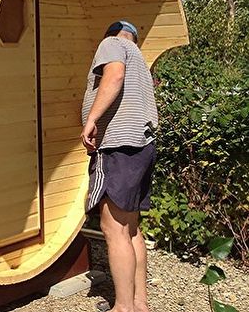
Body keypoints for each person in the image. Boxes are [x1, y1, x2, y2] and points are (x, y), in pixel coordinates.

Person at [81, 21, 157, 312]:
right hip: (141, 146)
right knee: (131, 228)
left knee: (113, 229)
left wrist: (91, 120)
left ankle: (122, 307)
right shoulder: (139, 56)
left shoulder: (112, 44)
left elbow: (114, 76)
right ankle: (139, 304)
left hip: (118, 146)